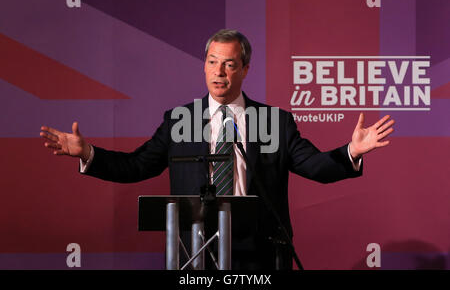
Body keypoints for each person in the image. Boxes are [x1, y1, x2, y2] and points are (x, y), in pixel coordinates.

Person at [40, 29, 394, 270]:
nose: (218, 71)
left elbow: (316, 166)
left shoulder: (275, 122)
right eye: (212, 61)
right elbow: (137, 166)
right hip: (194, 252)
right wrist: (89, 154)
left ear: (244, 69)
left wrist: (351, 151)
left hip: (259, 254)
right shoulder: (180, 119)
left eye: (229, 63)